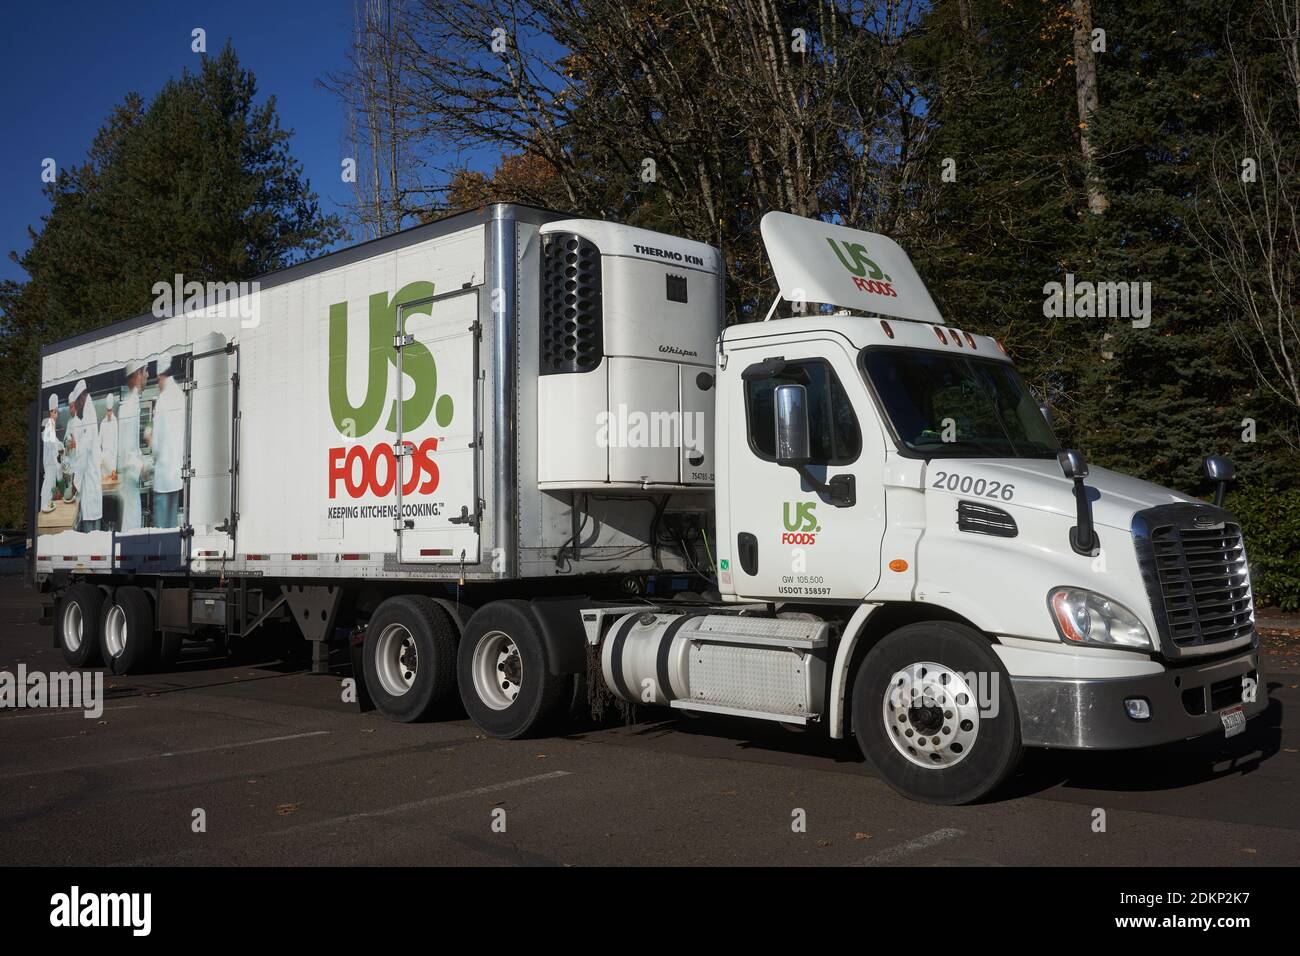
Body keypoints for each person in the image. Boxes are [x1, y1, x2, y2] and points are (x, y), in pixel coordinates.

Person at [150, 353, 184, 528]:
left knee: (160, 535)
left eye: (157, 381)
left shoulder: (162, 399)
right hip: (177, 477)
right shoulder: (180, 395)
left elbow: (156, 444)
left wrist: (149, 440)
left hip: (163, 479)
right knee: (172, 531)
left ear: (160, 376)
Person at [66, 380, 103, 532]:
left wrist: (76, 482)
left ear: (81, 398)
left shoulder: (88, 412)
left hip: (89, 481)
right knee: (93, 523)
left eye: (76, 403)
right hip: (90, 480)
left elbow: (84, 450)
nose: (76, 408)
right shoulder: (88, 411)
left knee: (91, 529)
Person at [117, 359, 147, 532]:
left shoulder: (132, 403)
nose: (148, 376)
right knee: (132, 522)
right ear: (138, 374)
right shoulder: (130, 406)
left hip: (131, 476)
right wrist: (142, 466)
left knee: (132, 519)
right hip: (130, 476)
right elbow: (127, 449)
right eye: (146, 371)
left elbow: (133, 447)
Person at [40, 393, 60, 511]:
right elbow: (53, 449)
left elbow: (55, 443)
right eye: (55, 411)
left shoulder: (51, 426)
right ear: (51, 411)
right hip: (50, 469)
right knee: (47, 492)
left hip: (52, 470)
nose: (56, 414)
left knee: (50, 496)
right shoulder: (49, 426)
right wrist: (58, 467)